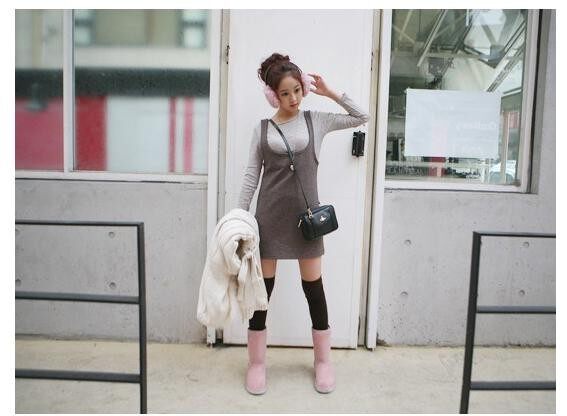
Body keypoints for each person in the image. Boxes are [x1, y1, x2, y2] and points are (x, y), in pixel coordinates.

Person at [237, 52, 369, 395]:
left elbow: (361, 116)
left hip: (307, 222)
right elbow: (251, 177)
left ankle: (323, 362)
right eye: (285, 93)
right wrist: (239, 219)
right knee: (262, 293)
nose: (293, 98)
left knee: (314, 289)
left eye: (297, 90)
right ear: (273, 96)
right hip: (268, 220)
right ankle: (256, 363)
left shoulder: (316, 121)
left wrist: (330, 92)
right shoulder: (263, 129)